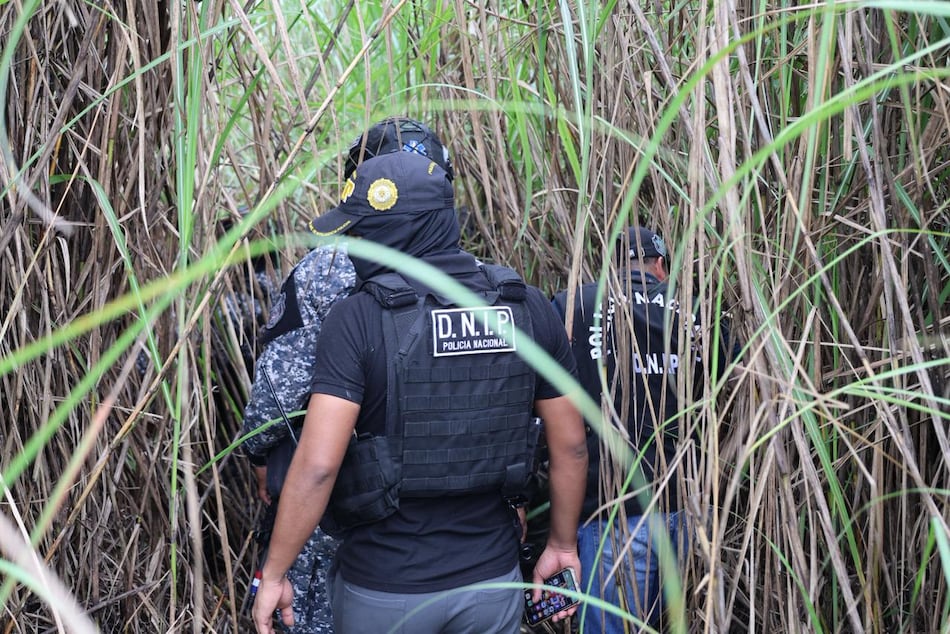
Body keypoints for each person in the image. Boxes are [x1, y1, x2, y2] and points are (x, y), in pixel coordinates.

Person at [251, 151, 588, 634]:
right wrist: (562, 545)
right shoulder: (526, 307)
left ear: (396, 233)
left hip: (383, 590)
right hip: (492, 584)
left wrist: (276, 573)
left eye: (362, 232)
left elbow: (319, 465)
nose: (353, 246)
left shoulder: (356, 318)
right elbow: (571, 446)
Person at [241, 117, 456, 632]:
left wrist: (260, 456)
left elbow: (278, 391)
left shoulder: (324, 269)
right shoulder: (474, 276)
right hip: (454, 523)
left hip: (338, 503)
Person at [552, 226, 735, 633]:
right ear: (661, 266)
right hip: (687, 508)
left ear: (611, 267)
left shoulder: (574, 307)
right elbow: (730, 382)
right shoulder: (698, 310)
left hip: (612, 513)